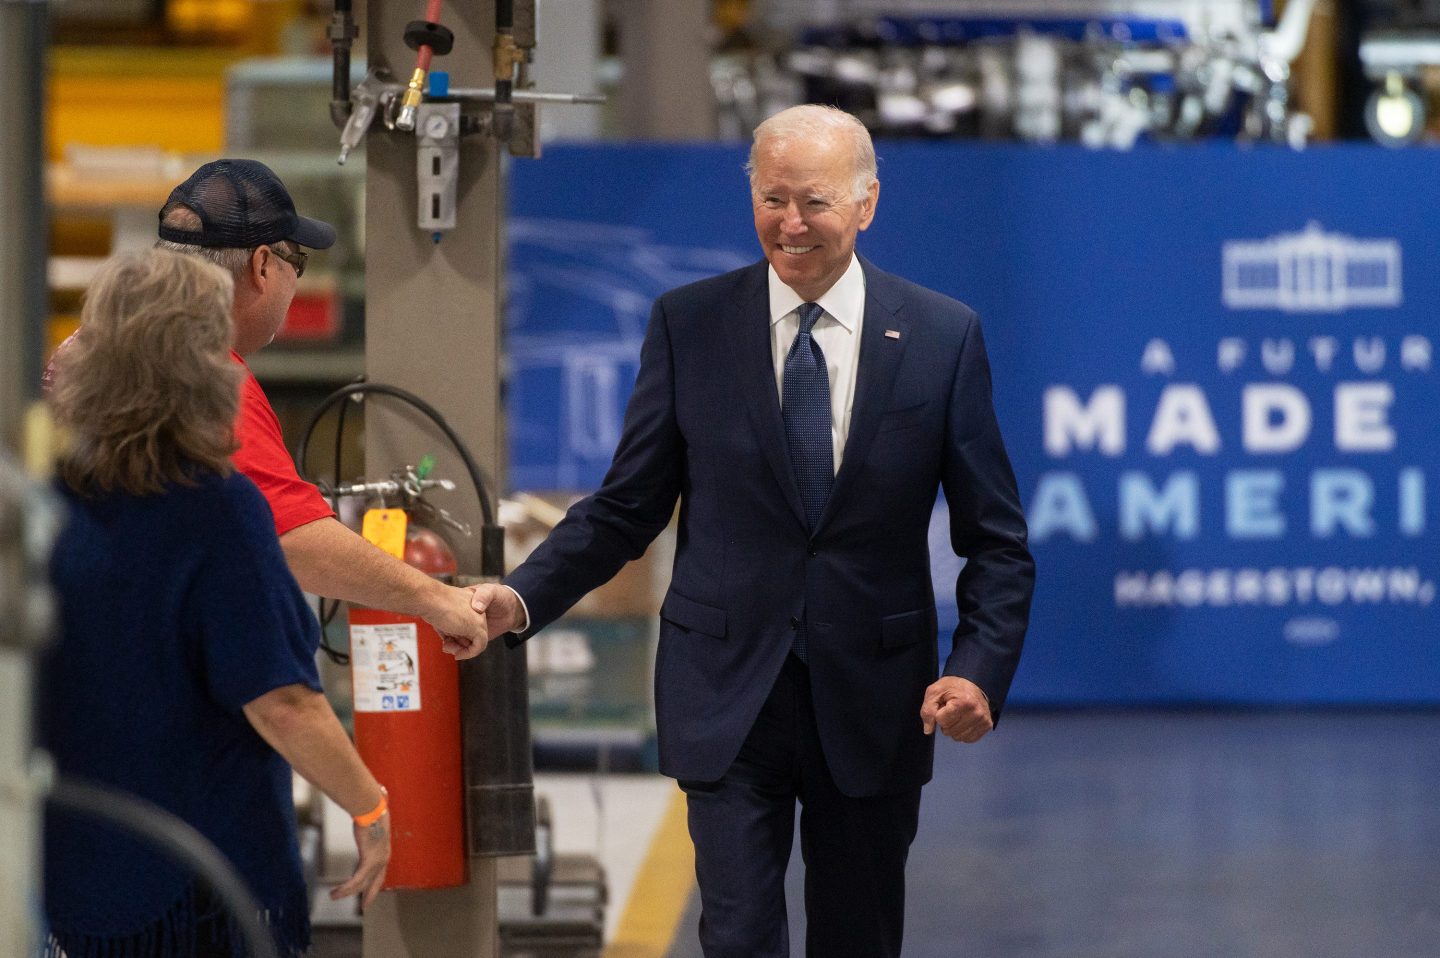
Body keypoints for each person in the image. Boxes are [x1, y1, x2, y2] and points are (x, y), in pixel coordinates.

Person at [471, 104, 1036, 956]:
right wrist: (518, 600)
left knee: (860, 934)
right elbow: (628, 505)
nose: (791, 223)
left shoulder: (940, 337)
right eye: (772, 199)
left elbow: (996, 539)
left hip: (874, 700)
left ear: (867, 202)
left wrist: (979, 672)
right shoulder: (689, 324)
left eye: (813, 201)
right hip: (725, 689)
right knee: (736, 935)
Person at [41, 249, 390, 957]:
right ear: (205, 366)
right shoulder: (217, 512)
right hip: (195, 882)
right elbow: (282, 702)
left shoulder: (46, 499)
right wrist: (368, 804)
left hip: (68, 869)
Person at [44, 158, 489, 659]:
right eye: (295, 262)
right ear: (261, 265)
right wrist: (437, 599)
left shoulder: (84, 347)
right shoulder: (199, 371)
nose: (295, 282)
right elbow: (293, 538)